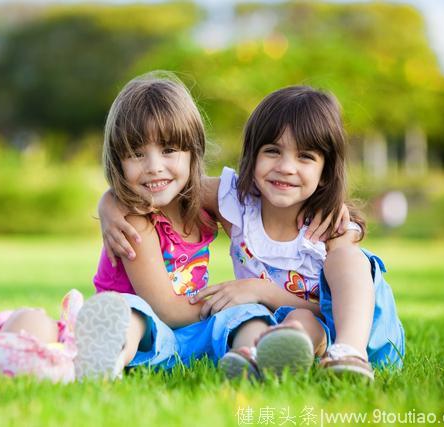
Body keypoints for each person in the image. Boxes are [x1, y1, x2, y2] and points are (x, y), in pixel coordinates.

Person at [100, 86, 405, 381]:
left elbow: (334, 308)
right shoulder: (237, 202)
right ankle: (260, 355)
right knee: (294, 324)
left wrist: (263, 292)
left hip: (361, 333)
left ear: (326, 171)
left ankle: (349, 354)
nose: (286, 167)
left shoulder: (330, 223)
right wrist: (110, 203)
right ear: (252, 156)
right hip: (288, 329)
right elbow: (171, 186)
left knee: (348, 261)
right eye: (273, 151)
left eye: (305, 157)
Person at [73, 71, 286, 381]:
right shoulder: (135, 220)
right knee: (132, 313)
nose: (154, 167)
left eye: (169, 150)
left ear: (192, 151)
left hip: (195, 332)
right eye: (136, 154)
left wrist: (330, 208)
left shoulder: (207, 200)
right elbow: (166, 310)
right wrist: (226, 300)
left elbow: (268, 194)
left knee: (248, 315)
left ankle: (252, 356)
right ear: (117, 162)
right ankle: (108, 355)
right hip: (157, 333)